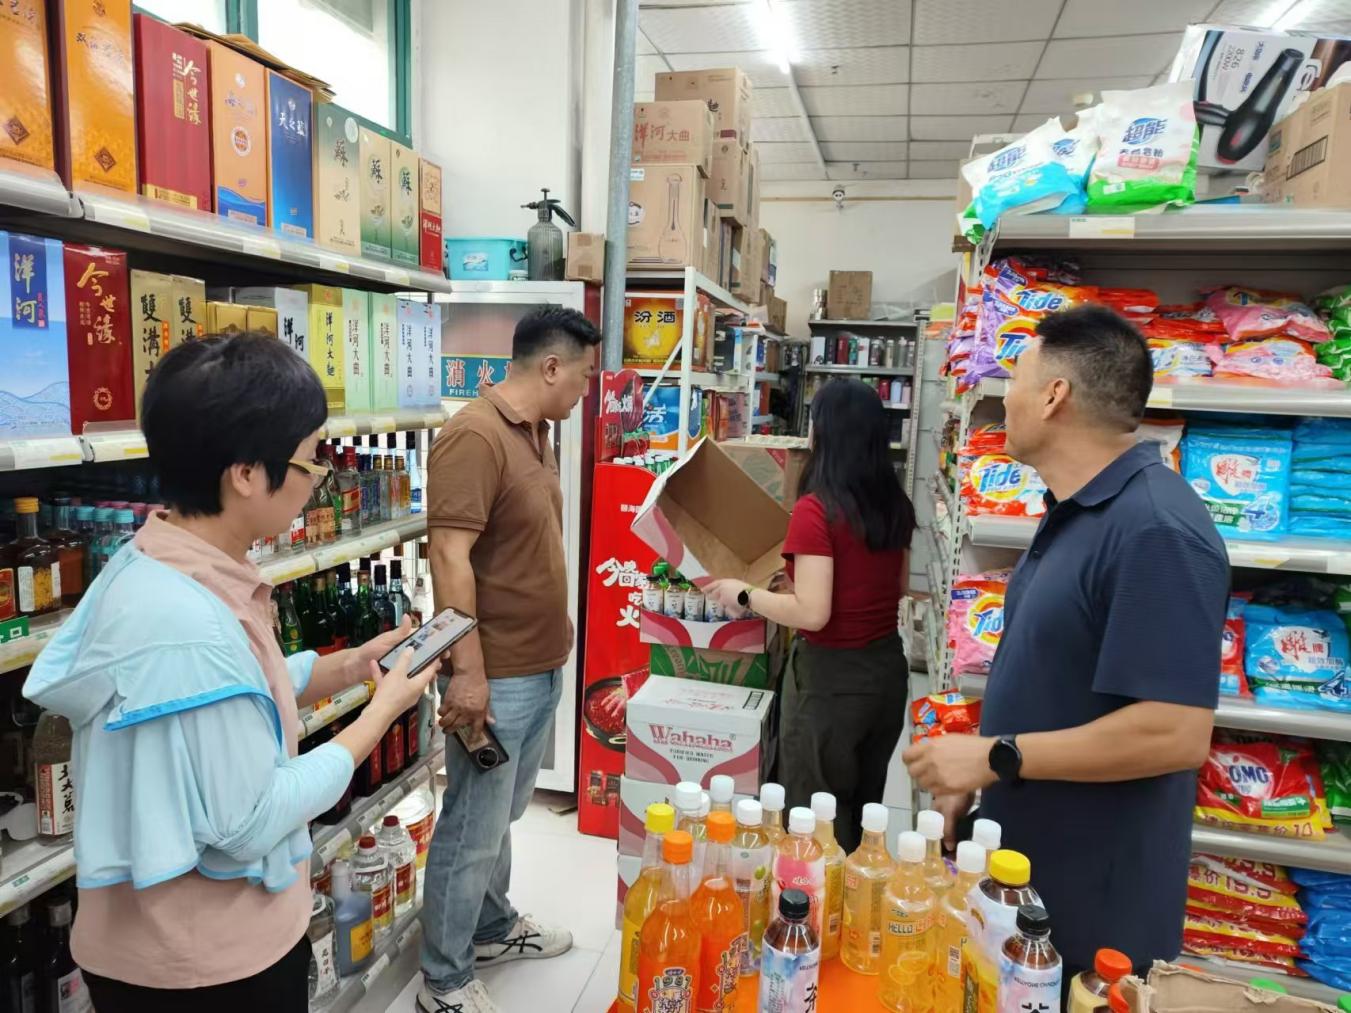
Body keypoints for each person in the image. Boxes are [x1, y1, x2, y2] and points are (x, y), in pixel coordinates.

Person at [22, 334, 434, 1011]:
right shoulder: (187, 624)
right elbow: (252, 819)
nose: (318, 478)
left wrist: (347, 668)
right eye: (309, 459)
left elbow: (226, 693)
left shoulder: (161, 561)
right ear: (245, 473)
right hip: (202, 966)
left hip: (170, 947)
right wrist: (380, 712)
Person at [904, 306, 1228, 979]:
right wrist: (979, 772)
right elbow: (1056, 677)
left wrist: (995, 756)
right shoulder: (1076, 512)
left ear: (1054, 395)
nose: (1004, 399)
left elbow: (1174, 733)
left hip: (1094, 914)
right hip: (1031, 882)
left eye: (1015, 380)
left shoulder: (1155, 530)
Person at [419, 306, 599, 1013]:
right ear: (550, 367)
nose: (586, 388)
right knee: (472, 825)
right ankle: (443, 978)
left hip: (539, 663)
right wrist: (467, 671)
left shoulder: (538, 432)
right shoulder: (474, 435)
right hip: (494, 674)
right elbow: (448, 556)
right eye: (583, 375)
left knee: (500, 815)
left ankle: (490, 927)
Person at [706, 378, 915, 852]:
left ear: (824, 433)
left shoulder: (816, 509)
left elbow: (813, 614)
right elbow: (896, 585)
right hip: (885, 673)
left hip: (830, 683)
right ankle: (854, 890)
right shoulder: (894, 503)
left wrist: (745, 594)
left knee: (813, 820)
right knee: (861, 809)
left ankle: (811, 899)